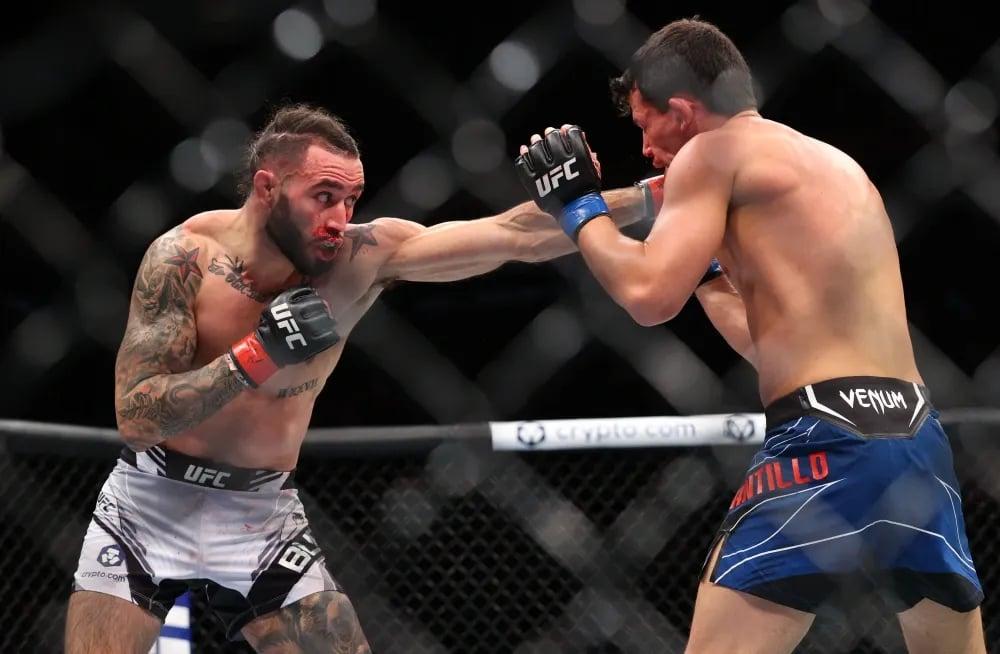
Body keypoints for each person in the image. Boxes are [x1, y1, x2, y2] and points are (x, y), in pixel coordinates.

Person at [66, 103, 657, 653]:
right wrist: (257, 354)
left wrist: (651, 196)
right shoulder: (184, 258)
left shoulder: (360, 258)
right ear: (268, 187)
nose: (339, 220)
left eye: (350, 200)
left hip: (260, 512)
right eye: (324, 197)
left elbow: (513, 235)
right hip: (148, 504)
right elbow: (136, 414)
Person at [515, 18, 985, 654]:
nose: (647, 152)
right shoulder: (837, 166)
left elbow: (648, 295)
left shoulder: (713, 153)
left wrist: (579, 205)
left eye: (644, 125)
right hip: (915, 435)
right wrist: (709, 274)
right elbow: (777, 345)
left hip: (821, 438)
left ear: (681, 111)